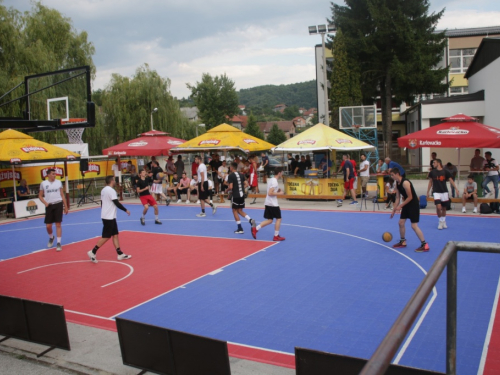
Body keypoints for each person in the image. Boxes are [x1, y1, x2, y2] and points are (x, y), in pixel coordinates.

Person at [87, 176, 132, 264]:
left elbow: (102, 203)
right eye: (114, 180)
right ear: (112, 181)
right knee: (106, 236)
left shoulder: (103, 190)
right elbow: (116, 203)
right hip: (108, 217)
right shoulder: (111, 190)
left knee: (115, 234)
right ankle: (92, 252)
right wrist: (126, 210)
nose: (115, 182)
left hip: (108, 216)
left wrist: (103, 211)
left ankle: (119, 254)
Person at [390, 167, 429, 252]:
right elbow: (397, 197)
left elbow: (410, 197)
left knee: (414, 226)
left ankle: (424, 244)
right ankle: (403, 241)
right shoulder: (397, 183)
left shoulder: (405, 183)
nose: (391, 176)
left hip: (413, 204)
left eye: (392, 175)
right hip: (406, 204)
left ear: (397, 174)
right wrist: (394, 210)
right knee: (401, 223)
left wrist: (401, 206)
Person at [251, 167, 285, 241]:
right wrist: (279, 193)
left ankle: (256, 229)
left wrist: (278, 190)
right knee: (279, 218)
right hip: (272, 203)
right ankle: (276, 236)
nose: (282, 174)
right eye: (282, 172)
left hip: (268, 202)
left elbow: (272, 189)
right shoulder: (274, 181)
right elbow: (270, 193)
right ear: (279, 173)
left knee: (270, 220)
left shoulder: (271, 180)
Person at [38, 169, 68, 251]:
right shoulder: (43, 184)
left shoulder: (59, 182)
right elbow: (40, 195)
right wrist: (45, 203)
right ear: (48, 175)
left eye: (55, 174)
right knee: (48, 226)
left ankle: (58, 243)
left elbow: (62, 194)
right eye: (53, 174)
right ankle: (51, 237)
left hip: (58, 204)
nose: (54, 175)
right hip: (49, 206)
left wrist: (65, 206)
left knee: (58, 224)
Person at [427, 159, 459, 230]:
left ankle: (443, 221)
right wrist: (427, 192)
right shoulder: (432, 172)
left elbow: (451, 180)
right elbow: (430, 182)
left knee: (444, 208)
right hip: (436, 192)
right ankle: (440, 221)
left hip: (444, 192)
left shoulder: (445, 172)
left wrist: (456, 189)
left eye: (434, 162)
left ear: (438, 163)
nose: (433, 164)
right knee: (438, 207)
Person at [226, 162, 255, 234]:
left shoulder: (231, 176)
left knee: (234, 211)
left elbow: (231, 187)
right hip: (242, 195)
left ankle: (240, 228)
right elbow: (247, 184)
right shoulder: (241, 175)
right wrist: (241, 188)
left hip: (235, 195)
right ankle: (250, 220)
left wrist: (226, 190)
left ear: (231, 168)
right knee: (240, 210)